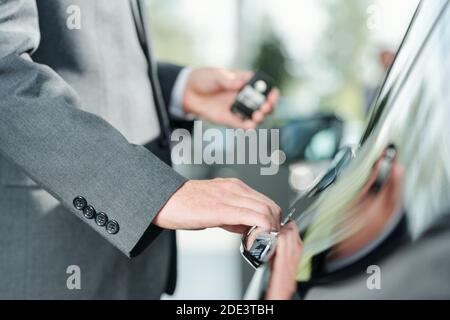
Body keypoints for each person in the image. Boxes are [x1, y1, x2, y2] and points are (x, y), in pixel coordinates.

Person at [0, 0, 281, 299]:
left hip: (133, 268)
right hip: (49, 258)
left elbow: (93, 58)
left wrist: (178, 89)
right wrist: (150, 193)